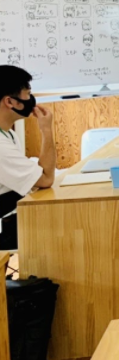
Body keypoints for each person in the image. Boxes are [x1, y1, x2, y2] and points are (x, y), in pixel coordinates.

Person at [0, 65, 56, 250]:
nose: (31, 100)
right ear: (10, 101)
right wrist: (46, 130)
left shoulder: (8, 134)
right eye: (28, 94)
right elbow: (46, 179)